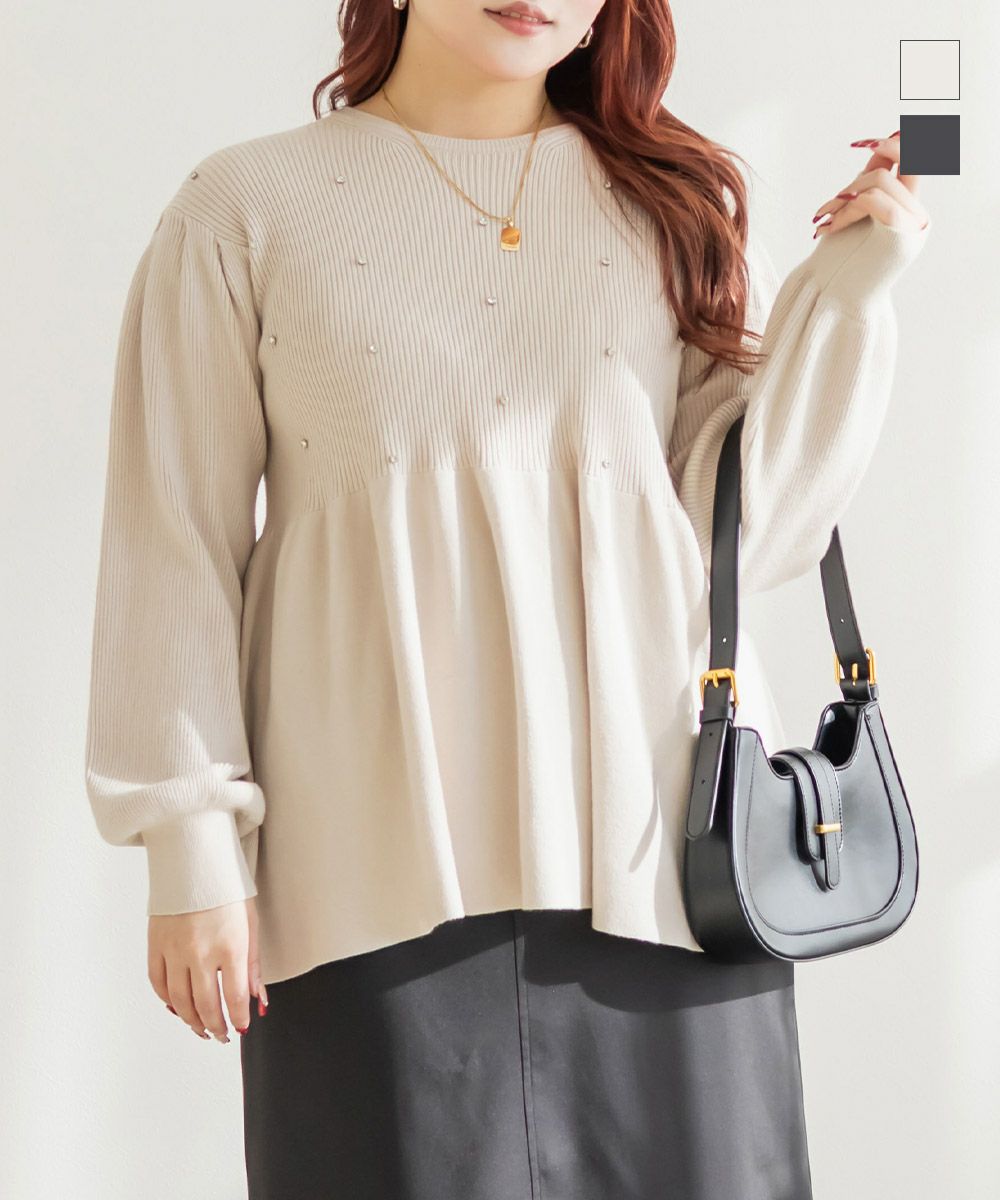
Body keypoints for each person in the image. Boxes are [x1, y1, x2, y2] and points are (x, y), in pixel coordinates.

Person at [84, 1, 931, 1196]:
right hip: (367, 874)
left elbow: (745, 536)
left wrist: (856, 284)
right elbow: (173, 540)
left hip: (667, 865)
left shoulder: (669, 199)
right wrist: (191, 848)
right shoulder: (243, 206)